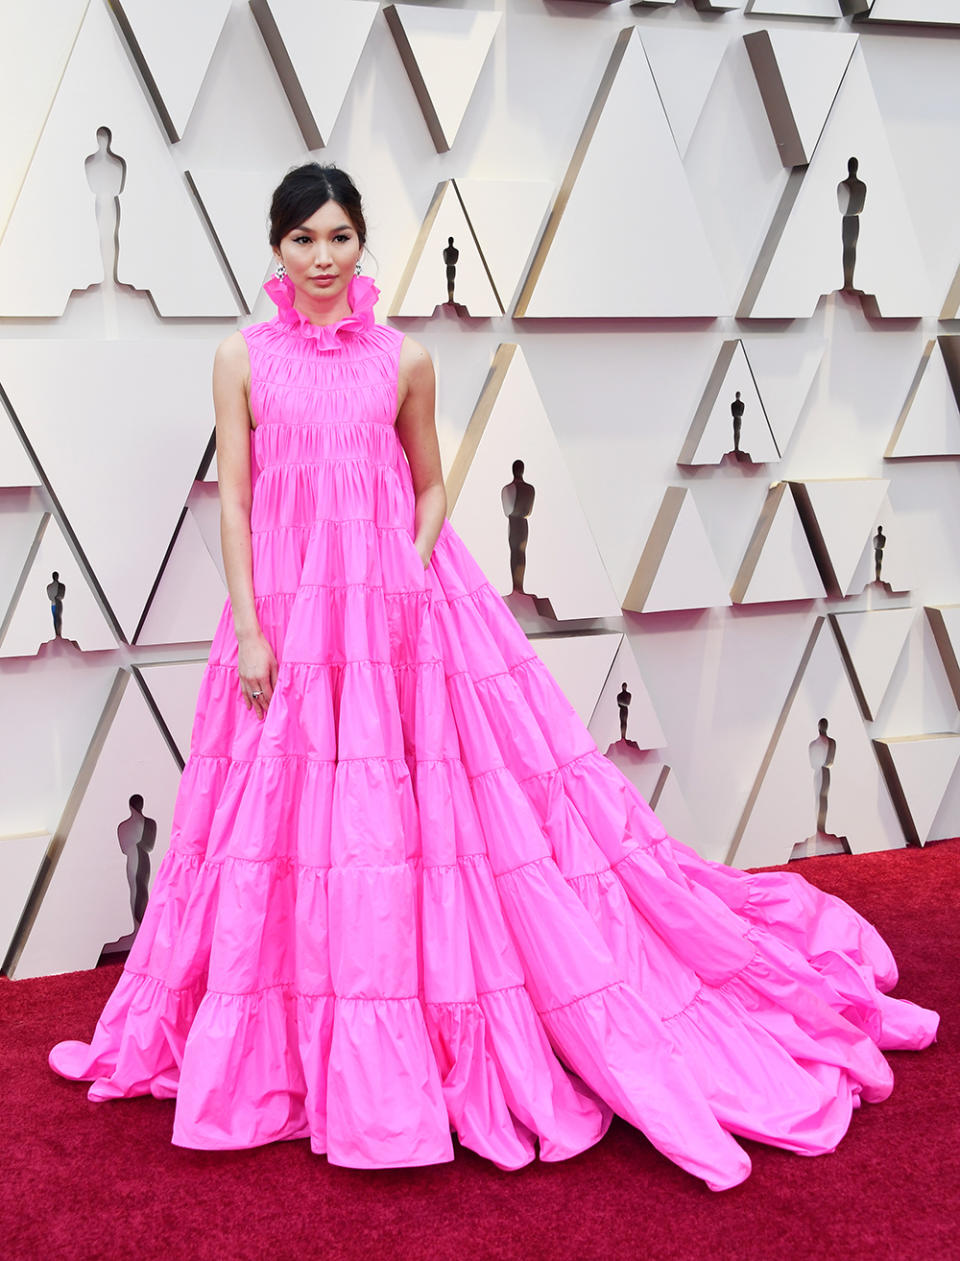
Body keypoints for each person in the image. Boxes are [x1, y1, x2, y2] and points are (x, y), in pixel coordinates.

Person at [48, 164, 938, 1192]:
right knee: (280, 827)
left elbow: (429, 487)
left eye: (340, 236)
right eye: (303, 241)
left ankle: (413, 1028)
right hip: (287, 620)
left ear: (362, 242)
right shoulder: (239, 359)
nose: (324, 258)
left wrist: (403, 573)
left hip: (400, 616)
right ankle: (294, 1039)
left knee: (409, 827)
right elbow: (237, 506)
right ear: (276, 251)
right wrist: (252, 627)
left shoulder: (407, 359)